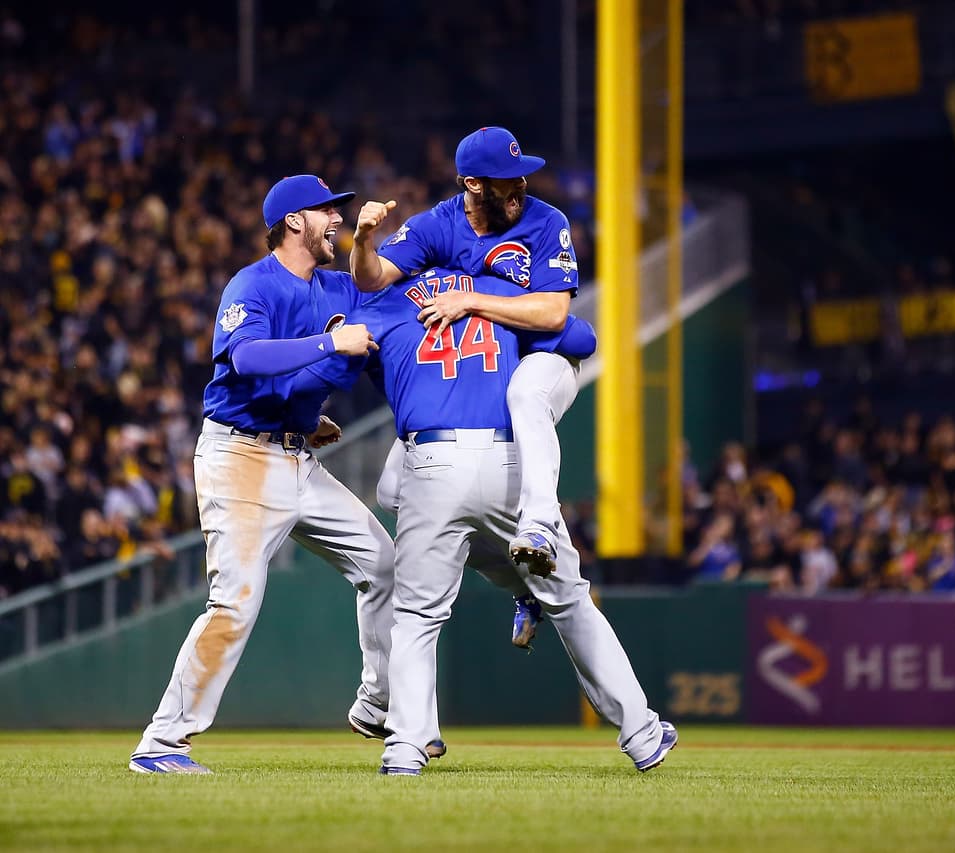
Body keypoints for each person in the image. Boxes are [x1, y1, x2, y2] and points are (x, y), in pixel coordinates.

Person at [307, 267, 677, 776]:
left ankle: (405, 749)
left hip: (431, 461)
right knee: (572, 603)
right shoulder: (499, 293)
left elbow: (325, 373)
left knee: (416, 618)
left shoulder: (383, 306)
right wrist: (492, 309)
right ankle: (641, 734)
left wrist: (303, 415)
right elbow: (582, 336)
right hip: (507, 461)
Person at [128, 176, 398, 774]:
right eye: (328, 210)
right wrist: (328, 344)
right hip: (240, 459)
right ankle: (162, 743)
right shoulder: (252, 284)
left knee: (384, 566)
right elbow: (247, 359)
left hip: (297, 456)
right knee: (235, 604)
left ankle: (377, 704)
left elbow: (377, 300)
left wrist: (307, 414)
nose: (337, 218)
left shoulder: (334, 284)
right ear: (294, 220)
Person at [350, 127, 582, 648]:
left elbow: (554, 312)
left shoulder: (547, 221)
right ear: (473, 184)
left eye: (521, 172)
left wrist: (471, 300)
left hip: (544, 358)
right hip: (479, 375)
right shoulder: (440, 223)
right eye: (504, 179)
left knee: (527, 398)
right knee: (394, 490)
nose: (519, 184)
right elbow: (372, 279)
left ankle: (540, 520)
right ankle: (520, 583)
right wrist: (363, 240)